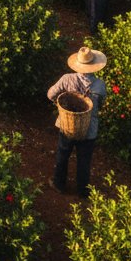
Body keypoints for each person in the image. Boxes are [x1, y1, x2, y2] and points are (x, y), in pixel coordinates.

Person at [47, 46, 108, 198]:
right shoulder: (100, 85)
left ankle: (59, 184)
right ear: (94, 66)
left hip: (68, 126)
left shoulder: (67, 79)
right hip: (89, 129)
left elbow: (50, 94)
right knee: (84, 161)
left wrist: (60, 104)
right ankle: (83, 191)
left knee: (63, 154)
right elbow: (101, 103)